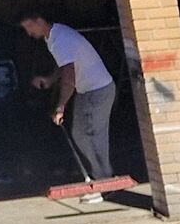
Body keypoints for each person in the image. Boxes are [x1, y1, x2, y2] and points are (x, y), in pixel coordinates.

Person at [19, 10, 120, 205]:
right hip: (87, 90)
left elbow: (69, 76)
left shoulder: (60, 39)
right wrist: (49, 80)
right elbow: (65, 65)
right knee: (80, 134)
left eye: (29, 27)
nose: (29, 33)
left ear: (39, 20)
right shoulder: (54, 36)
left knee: (92, 136)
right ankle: (100, 180)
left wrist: (61, 106)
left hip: (97, 91)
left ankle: (106, 185)